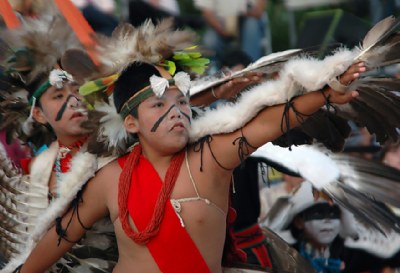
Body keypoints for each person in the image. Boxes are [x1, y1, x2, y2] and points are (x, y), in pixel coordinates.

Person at [8, 15, 366, 272]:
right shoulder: (109, 178)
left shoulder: (209, 159)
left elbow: (269, 122)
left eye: (182, 103)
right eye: (160, 105)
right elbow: (61, 235)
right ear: (130, 123)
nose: (177, 112)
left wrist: (326, 88)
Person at [0, 12, 119, 272]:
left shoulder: (116, 149)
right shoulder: (40, 167)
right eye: (58, 95)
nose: (74, 100)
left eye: (77, 90)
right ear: (39, 114)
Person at [265, 181, 400, 273]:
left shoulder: (355, 253)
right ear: (298, 222)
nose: (328, 220)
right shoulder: (282, 253)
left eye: (333, 214)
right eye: (318, 214)